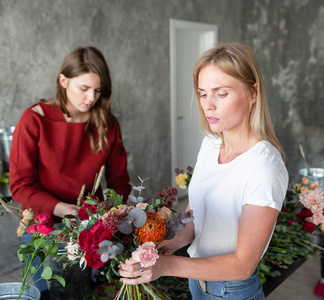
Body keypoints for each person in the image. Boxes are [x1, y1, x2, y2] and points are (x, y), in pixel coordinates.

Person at [118, 43, 289, 300]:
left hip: (231, 291)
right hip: (197, 282)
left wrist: (167, 266)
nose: (208, 105)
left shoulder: (264, 167)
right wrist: (167, 245)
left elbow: (243, 264)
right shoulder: (210, 144)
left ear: (253, 93)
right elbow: (196, 215)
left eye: (221, 94)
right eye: (202, 93)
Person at [9, 46, 132, 298]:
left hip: (92, 225)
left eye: (98, 90)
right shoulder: (35, 119)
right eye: (83, 88)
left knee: (98, 287)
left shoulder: (107, 124)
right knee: (60, 290)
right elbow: (20, 185)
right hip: (45, 224)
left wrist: (112, 214)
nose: (91, 98)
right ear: (63, 80)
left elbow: (119, 181)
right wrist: (61, 208)